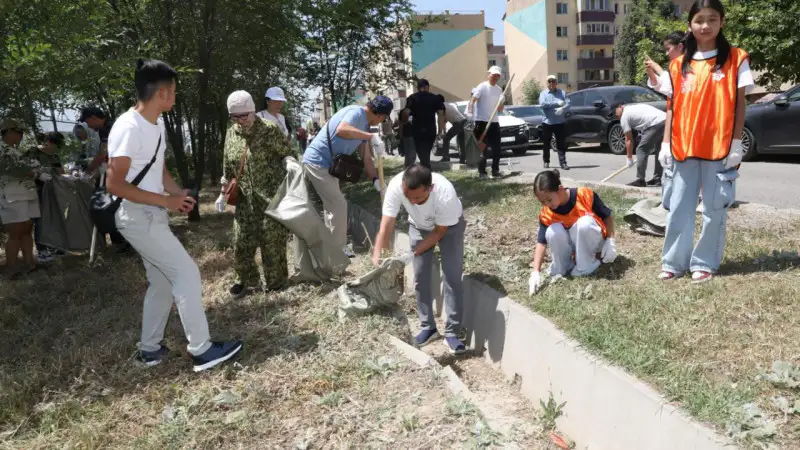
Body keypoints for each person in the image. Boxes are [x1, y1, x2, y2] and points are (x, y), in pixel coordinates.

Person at [106, 58, 242, 371]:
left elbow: (158, 168)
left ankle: (149, 350)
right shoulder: (128, 127)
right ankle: (201, 350)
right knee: (186, 274)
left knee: (163, 283)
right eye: (175, 92)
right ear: (163, 94)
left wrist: (176, 193)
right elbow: (114, 183)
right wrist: (164, 201)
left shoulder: (156, 124)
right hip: (136, 216)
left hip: (150, 213)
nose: (176, 97)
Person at [651, 0, 753, 283]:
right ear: (690, 25)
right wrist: (664, 144)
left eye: (712, 19)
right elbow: (671, 106)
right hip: (684, 147)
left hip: (719, 148)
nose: (705, 26)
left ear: (721, 22)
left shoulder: (736, 59)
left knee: (713, 209)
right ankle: (673, 262)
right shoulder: (677, 65)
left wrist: (735, 143)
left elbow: (740, 105)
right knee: (679, 208)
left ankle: (704, 262)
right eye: (699, 20)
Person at [372, 163, 467, 354]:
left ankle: (452, 333)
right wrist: (377, 256)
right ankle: (428, 327)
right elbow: (387, 224)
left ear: (430, 189)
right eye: (408, 197)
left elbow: (440, 232)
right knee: (420, 276)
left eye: (417, 198)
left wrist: (412, 253)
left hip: (449, 227)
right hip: (418, 227)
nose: (412, 202)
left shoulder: (444, 193)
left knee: (452, 275)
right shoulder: (396, 186)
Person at [220, 91, 294, 298]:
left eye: (245, 115)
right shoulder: (231, 133)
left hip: (270, 198)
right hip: (245, 199)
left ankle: (276, 283)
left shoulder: (269, 130)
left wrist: (289, 162)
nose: (241, 120)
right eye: (236, 117)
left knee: (272, 243)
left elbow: (288, 153)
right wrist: (223, 186)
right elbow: (228, 162)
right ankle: (246, 281)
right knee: (241, 241)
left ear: (253, 110)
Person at [301, 96, 389, 257]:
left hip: (330, 167)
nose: (382, 121)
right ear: (380, 115)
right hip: (317, 162)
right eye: (384, 118)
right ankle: (339, 252)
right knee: (339, 206)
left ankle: (331, 248)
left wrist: (376, 180)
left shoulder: (365, 127)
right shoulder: (356, 113)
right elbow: (342, 129)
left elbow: (366, 157)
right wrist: (371, 137)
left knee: (333, 208)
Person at [528, 170, 617, 295]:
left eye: (549, 199)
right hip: (574, 246)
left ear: (560, 189)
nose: (547, 204)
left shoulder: (585, 195)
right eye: (542, 202)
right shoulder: (547, 213)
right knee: (552, 231)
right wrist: (535, 272)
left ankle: (587, 264)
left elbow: (607, 216)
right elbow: (541, 243)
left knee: (583, 224)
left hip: (594, 242)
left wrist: (610, 240)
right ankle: (563, 266)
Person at [0, 119, 42, 278]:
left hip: (26, 193)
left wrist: (35, 169)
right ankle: (11, 268)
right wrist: (34, 172)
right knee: (15, 231)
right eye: (17, 132)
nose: (21, 135)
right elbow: (11, 169)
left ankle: (29, 263)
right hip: (11, 194)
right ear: (8, 131)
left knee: (26, 228)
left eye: (22, 132)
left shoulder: (15, 150)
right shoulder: (2, 149)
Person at [33, 132, 66, 263]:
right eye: (56, 145)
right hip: (37, 190)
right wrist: (38, 175)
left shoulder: (54, 155)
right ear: (49, 142)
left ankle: (53, 246)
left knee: (54, 217)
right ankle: (41, 249)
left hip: (52, 190)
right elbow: (26, 171)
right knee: (40, 220)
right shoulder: (34, 153)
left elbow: (61, 172)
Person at [614, 103, 665, 187]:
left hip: (655, 123)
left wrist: (629, 157)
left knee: (641, 150)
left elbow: (629, 139)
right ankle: (657, 179)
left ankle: (641, 180)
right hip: (666, 119)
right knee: (659, 150)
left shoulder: (624, 117)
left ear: (620, 108)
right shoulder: (632, 107)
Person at [468, 66, 505, 179]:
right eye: (493, 75)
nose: (495, 77)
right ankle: (482, 173)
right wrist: (470, 114)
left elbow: (499, 110)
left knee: (497, 149)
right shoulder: (482, 86)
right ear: (489, 74)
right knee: (482, 148)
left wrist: (502, 102)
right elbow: (472, 101)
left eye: (497, 75)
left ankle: (495, 171)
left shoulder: (499, 90)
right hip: (481, 122)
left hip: (494, 122)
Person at [402, 79, 445, 168]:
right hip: (431, 130)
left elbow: (406, 112)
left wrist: (405, 122)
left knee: (422, 155)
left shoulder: (412, 98)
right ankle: (426, 171)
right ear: (428, 87)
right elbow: (441, 114)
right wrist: (440, 131)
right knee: (426, 152)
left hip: (417, 130)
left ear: (418, 88)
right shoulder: (435, 98)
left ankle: (426, 172)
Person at [539, 75, 570, 171]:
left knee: (561, 143)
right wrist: (557, 103)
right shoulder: (543, 94)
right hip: (547, 122)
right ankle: (546, 161)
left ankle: (563, 163)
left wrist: (562, 108)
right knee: (546, 143)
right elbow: (543, 104)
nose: (551, 84)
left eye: (553, 81)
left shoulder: (562, 93)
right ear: (547, 83)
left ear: (556, 83)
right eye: (549, 82)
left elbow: (568, 103)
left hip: (559, 122)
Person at [438, 94, 467, 163]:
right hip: (464, 122)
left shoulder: (440, 107)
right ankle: (463, 159)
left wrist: (440, 132)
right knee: (461, 141)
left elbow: (440, 120)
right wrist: (444, 132)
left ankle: (446, 157)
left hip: (458, 124)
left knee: (446, 139)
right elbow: (444, 121)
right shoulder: (447, 105)